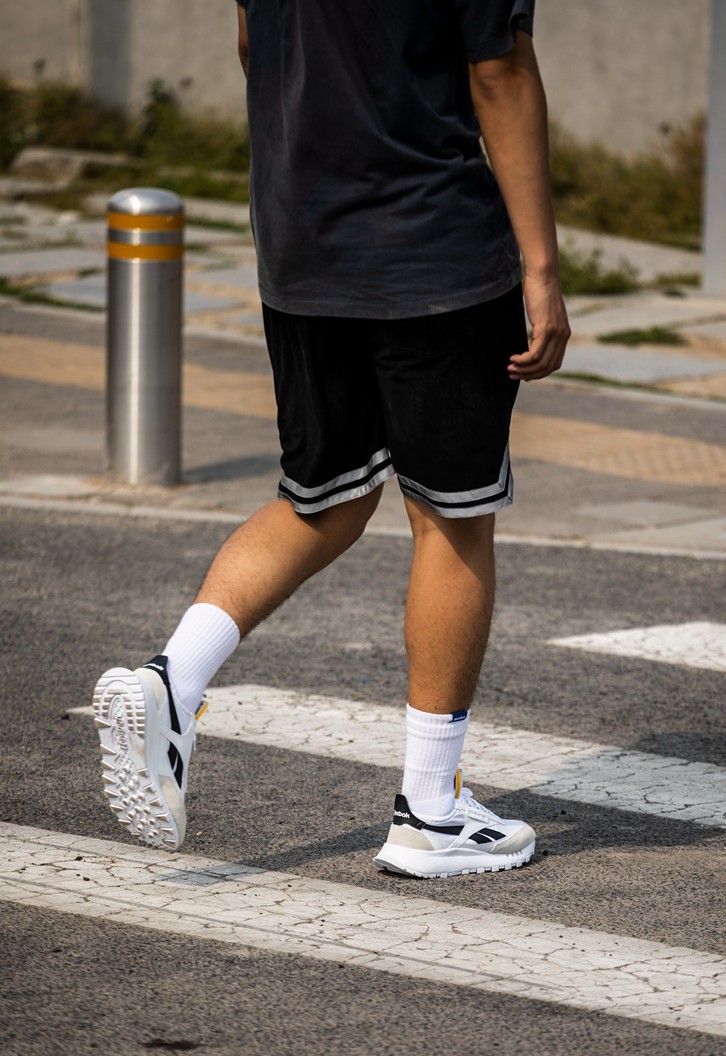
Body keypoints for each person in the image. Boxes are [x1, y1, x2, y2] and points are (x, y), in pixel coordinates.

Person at [93, 0, 570, 878]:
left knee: (323, 501)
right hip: (431, 248)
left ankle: (170, 681)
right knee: (453, 519)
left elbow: (253, 42)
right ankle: (429, 813)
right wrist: (541, 266)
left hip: (301, 243)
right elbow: (499, 73)